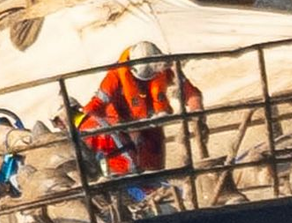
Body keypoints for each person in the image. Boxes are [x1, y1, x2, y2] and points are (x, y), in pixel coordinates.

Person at [79, 40, 205, 177]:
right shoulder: (114, 77)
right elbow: (94, 106)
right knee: (131, 174)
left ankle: (156, 188)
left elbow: (192, 94)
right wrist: (108, 128)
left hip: (151, 130)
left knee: (155, 174)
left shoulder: (164, 68)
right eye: (140, 80)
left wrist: (196, 113)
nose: (142, 84)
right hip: (122, 133)